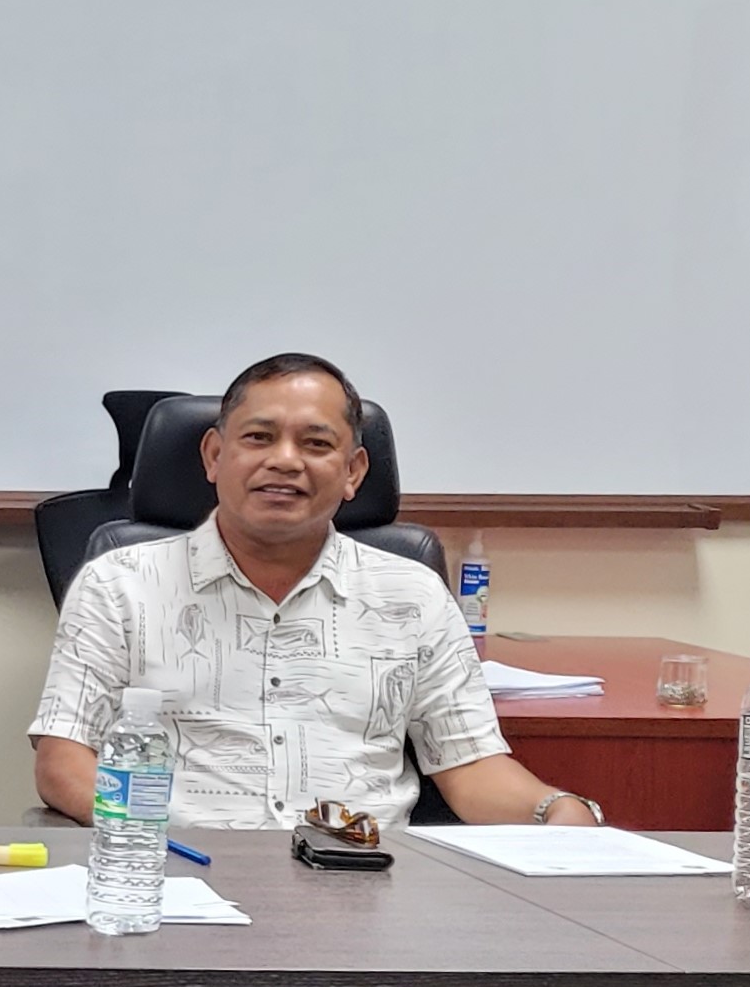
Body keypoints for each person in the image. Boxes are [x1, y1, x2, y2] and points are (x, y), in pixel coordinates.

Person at [30, 352, 601, 831]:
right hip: (181, 873)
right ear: (214, 456)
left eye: (315, 444)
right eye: (259, 437)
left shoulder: (413, 594)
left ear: (353, 472)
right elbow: (64, 759)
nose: (284, 460)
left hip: (367, 881)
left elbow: (470, 765)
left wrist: (556, 810)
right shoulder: (120, 584)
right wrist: (153, 840)